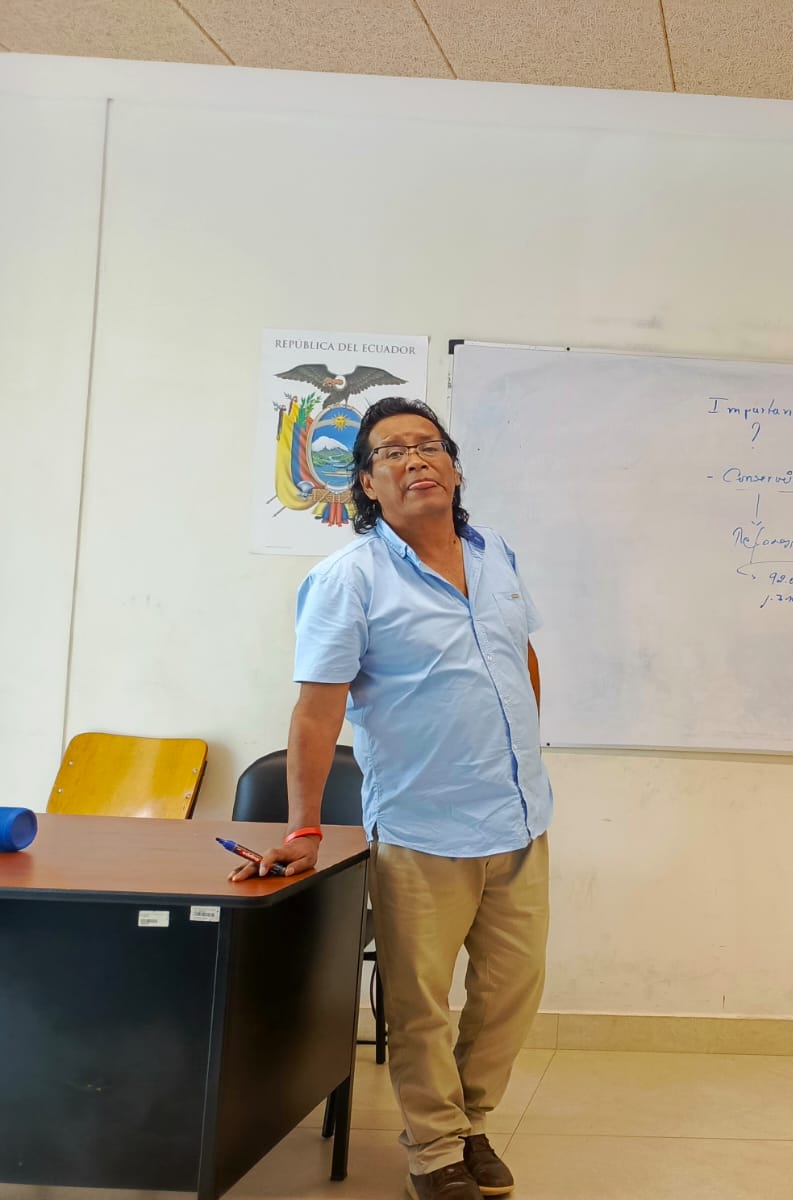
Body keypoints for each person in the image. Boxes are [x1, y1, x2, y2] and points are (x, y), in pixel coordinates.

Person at [232, 397, 552, 1200]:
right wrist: (305, 828)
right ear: (367, 484)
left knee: (511, 994)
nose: (415, 460)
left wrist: (524, 751)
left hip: (519, 820)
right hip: (421, 828)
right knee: (419, 1006)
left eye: (428, 445)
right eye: (392, 452)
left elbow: (521, 656)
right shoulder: (349, 579)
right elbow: (317, 711)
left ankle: (472, 1123)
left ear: (453, 467)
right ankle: (436, 1151)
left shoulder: (495, 553)